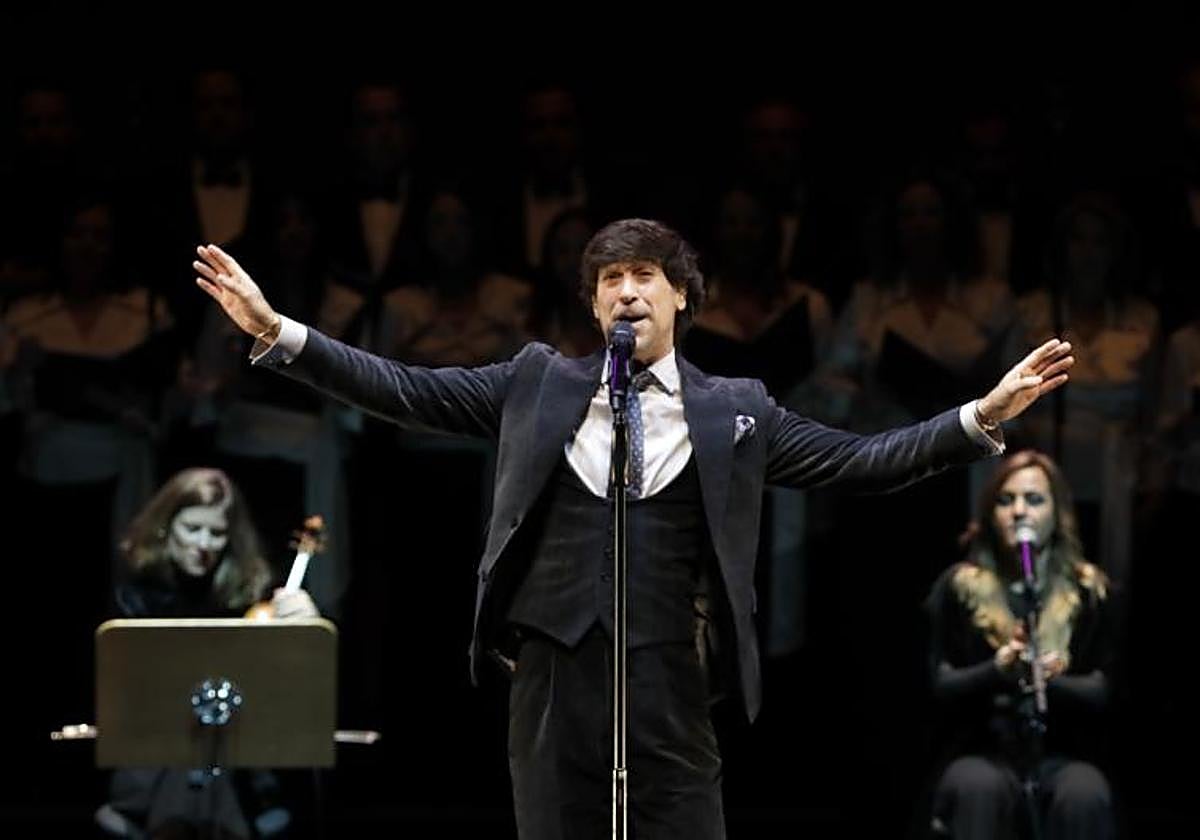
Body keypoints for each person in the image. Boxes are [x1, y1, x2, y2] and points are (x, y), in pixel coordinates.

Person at [194, 218, 1073, 839]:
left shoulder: (737, 410)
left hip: (671, 674)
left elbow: (859, 460)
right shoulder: (536, 383)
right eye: (609, 278)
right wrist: (280, 333)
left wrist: (979, 417)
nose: (625, 290)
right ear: (592, 305)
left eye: (644, 274)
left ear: (682, 297)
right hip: (549, 666)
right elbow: (406, 388)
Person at [99, 467, 318, 840]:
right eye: (193, 529)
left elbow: (286, 685)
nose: (204, 544)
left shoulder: (251, 595)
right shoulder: (133, 594)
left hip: (239, 748)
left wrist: (305, 627)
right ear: (167, 528)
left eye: (217, 533)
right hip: (158, 745)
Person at [924, 450, 1114, 839]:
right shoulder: (958, 588)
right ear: (990, 513)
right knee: (975, 786)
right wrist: (997, 671)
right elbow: (938, 685)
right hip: (985, 749)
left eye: (1035, 499)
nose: (1019, 511)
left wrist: (1048, 678)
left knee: (1084, 792)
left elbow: (1107, 689)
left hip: (1061, 753)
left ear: (1057, 513)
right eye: (1005, 500)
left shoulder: (1089, 590)